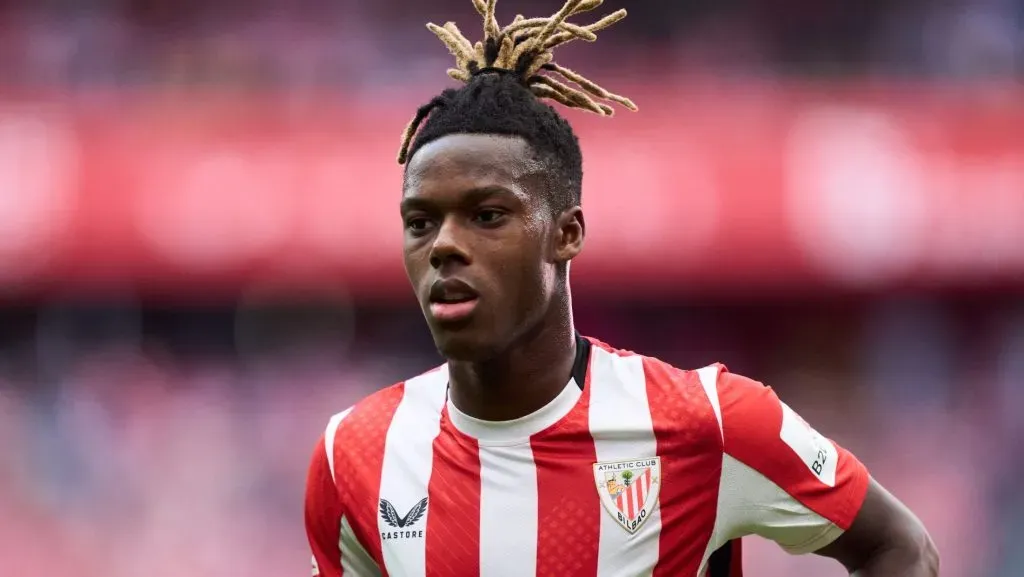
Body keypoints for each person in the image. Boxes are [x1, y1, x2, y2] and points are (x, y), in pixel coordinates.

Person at [304, 1, 940, 575]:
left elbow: (898, 548)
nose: (443, 244)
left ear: (567, 233)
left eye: (487, 215)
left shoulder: (709, 424)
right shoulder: (353, 454)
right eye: (421, 222)